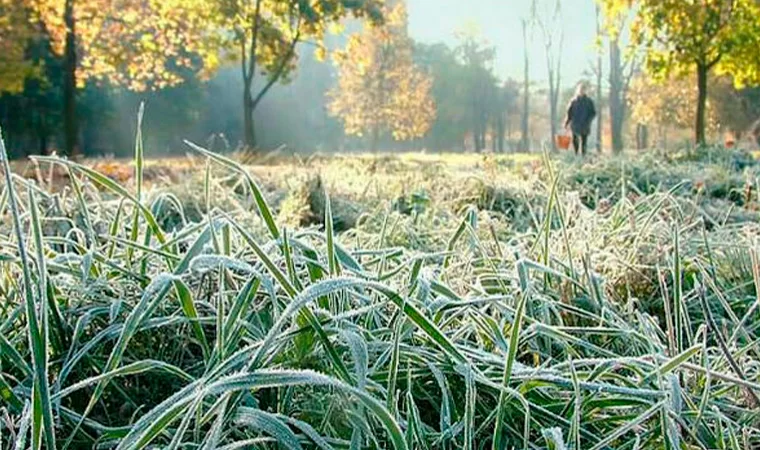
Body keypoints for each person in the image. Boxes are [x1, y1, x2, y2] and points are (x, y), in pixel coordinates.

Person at [564, 82, 596, 156]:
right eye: (580, 90)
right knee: (575, 140)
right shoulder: (574, 101)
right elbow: (569, 113)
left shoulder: (589, 101)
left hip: (585, 124)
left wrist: (589, 120)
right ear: (578, 90)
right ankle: (576, 154)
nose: (582, 91)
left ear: (585, 91)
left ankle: (583, 155)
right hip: (575, 124)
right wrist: (566, 123)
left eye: (583, 90)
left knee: (584, 141)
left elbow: (593, 113)